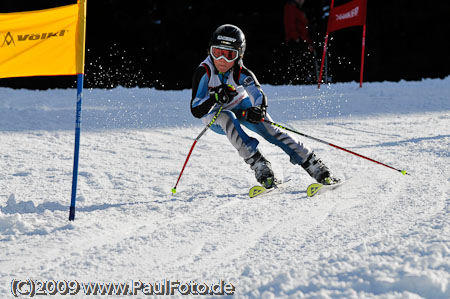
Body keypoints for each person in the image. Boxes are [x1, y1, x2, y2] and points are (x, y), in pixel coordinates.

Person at [190, 24, 339, 189]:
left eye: (229, 55)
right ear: (210, 51)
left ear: (239, 56)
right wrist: (214, 97)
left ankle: (313, 163)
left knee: (270, 129)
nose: (222, 61)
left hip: (241, 105)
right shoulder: (204, 72)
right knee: (227, 118)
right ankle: (259, 164)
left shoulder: (241, 72)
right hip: (215, 114)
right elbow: (196, 110)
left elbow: (257, 94)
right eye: (217, 53)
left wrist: (258, 109)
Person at [283, 0, 317, 84]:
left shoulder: (299, 8)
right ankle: (296, 81)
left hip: (303, 40)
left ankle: (303, 79)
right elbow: (290, 24)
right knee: (297, 63)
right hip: (296, 41)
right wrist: (297, 38)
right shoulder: (291, 7)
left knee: (304, 63)